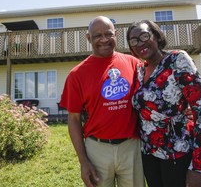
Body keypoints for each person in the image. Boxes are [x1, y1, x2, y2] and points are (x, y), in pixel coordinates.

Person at [126, 19, 201, 187]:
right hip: (149, 153)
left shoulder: (177, 60)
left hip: (177, 151)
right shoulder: (140, 71)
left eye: (145, 36)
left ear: (156, 36)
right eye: (134, 40)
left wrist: (199, 166)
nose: (140, 43)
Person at [60, 16, 146, 187]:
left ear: (116, 34)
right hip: (97, 150)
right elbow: (74, 120)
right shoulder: (77, 75)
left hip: (131, 147)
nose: (104, 40)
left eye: (108, 34)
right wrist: (83, 161)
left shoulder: (134, 64)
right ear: (88, 38)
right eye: (97, 35)